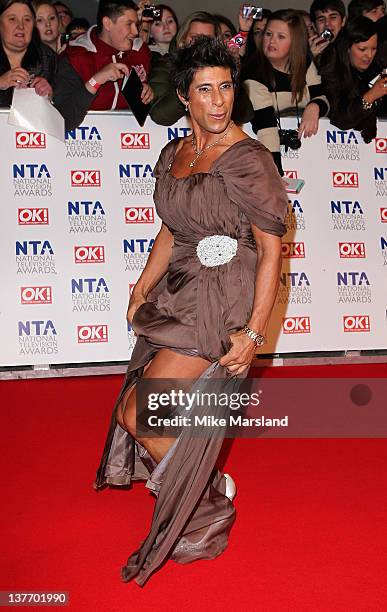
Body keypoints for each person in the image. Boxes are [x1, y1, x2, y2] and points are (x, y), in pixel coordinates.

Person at [95, 35, 288, 586]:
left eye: (225, 87)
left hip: (223, 297)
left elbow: (271, 247)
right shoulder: (173, 153)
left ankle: (205, 507)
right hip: (180, 288)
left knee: (139, 414)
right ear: (183, 96)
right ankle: (203, 489)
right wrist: (142, 283)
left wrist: (254, 329)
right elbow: (172, 228)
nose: (219, 100)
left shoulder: (249, 160)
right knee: (139, 409)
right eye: (205, 90)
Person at [242, 9, 329, 176]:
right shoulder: (253, 72)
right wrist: (275, 174)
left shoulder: (305, 64)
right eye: (268, 34)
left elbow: (323, 96)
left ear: (295, 42)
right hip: (263, 148)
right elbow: (266, 127)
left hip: (310, 156)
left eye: (280, 37)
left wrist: (314, 107)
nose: (271, 41)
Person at [0, 0, 91, 130]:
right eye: (12, 19)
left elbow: (68, 116)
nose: (21, 26)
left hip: (36, 142)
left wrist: (50, 96)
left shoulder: (48, 58)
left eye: (27, 19)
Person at [65, 0, 153, 111]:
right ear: (107, 23)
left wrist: (149, 93)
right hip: (86, 127)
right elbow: (63, 112)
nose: (135, 31)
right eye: (129, 24)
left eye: (136, 24)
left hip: (128, 127)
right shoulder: (76, 54)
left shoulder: (141, 51)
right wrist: (96, 80)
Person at [320, 16, 387, 142]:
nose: (369, 55)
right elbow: (340, 119)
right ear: (347, 48)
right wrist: (370, 96)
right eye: (362, 49)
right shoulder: (332, 71)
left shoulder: (377, 66)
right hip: (335, 146)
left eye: (374, 49)